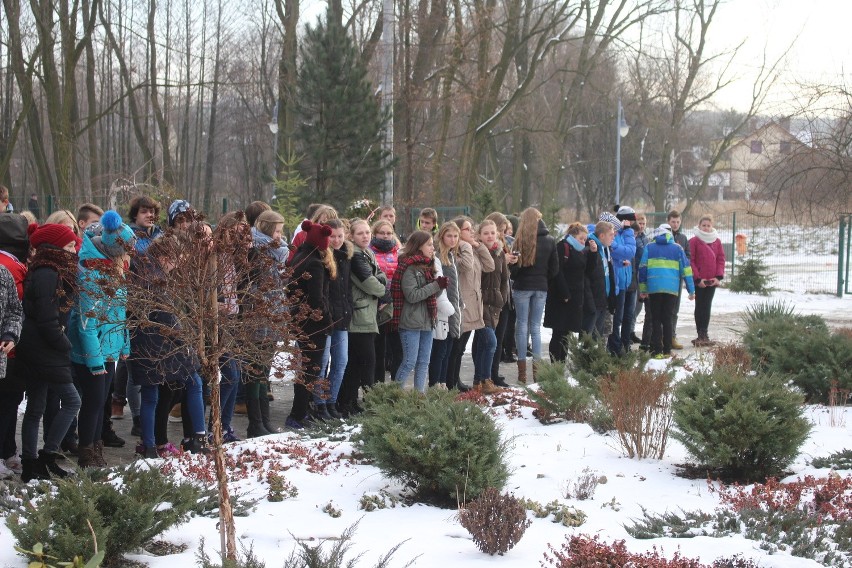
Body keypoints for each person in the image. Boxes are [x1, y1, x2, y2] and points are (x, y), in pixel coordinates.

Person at [129, 237, 207, 457]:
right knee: (193, 381)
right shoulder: (155, 279)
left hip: (148, 345)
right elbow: (166, 317)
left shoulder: (147, 274)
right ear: (165, 258)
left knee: (153, 395)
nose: (179, 264)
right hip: (157, 345)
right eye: (177, 259)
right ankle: (197, 437)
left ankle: (151, 445)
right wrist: (184, 341)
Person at [68, 211, 135, 467]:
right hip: (90, 353)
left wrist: (124, 344)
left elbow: (120, 313)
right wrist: (94, 362)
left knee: (101, 402)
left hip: (109, 349)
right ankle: (88, 453)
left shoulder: (115, 269)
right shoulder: (91, 272)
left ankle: (97, 448)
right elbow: (87, 324)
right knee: (93, 403)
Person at [18, 223, 82, 481]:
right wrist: (64, 344)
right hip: (45, 347)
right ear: (54, 246)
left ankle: (32, 464)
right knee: (72, 401)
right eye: (68, 245)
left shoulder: (49, 269)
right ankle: (45, 457)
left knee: (36, 406)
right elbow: (47, 318)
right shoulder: (47, 272)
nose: (73, 250)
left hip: (40, 346)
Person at [286, 221, 333, 429]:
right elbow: (317, 298)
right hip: (314, 324)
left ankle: (300, 412)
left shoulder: (298, 256)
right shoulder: (314, 263)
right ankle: (298, 413)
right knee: (311, 369)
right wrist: (327, 317)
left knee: (306, 368)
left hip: (299, 319)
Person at [339, 219, 386, 416]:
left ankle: (349, 401)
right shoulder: (356, 255)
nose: (365, 236)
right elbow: (371, 283)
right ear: (351, 236)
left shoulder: (368, 253)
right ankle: (361, 402)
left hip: (368, 313)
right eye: (360, 233)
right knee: (366, 361)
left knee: (358, 363)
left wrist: (381, 285)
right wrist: (384, 291)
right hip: (360, 315)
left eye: (367, 232)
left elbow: (381, 275)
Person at [392, 230, 445, 392]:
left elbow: (432, 295)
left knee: (424, 362)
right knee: (409, 362)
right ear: (418, 245)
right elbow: (412, 295)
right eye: (429, 244)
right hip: (410, 322)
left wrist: (440, 286)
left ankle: (419, 397)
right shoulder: (409, 267)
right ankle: (395, 396)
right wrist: (435, 285)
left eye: (433, 245)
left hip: (427, 320)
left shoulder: (428, 265)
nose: (432, 248)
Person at [508, 208, 557, 384]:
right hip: (541, 287)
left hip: (522, 287)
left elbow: (513, 270)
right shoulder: (550, 241)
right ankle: (537, 372)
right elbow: (555, 269)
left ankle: (522, 374)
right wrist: (544, 279)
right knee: (535, 328)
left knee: (521, 325)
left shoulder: (520, 241)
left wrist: (517, 273)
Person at [447, 216, 495, 391]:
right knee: (457, 347)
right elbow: (465, 267)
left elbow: (490, 266)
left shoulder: (471, 250)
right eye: (468, 229)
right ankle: (451, 382)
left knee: (461, 347)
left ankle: (455, 380)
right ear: (459, 232)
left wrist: (479, 246)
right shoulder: (456, 252)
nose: (472, 231)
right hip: (462, 305)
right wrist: (466, 245)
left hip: (475, 304)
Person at [313, 219, 351, 420]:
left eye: (340, 236)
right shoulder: (321, 257)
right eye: (333, 236)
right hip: (327, 318)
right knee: (322, 361)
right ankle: (319, 403)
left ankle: (331, 400)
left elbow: (346, 290)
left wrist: (348, 309)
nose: (336, 240)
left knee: (341, 361)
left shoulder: (346, 256)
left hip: (342, 317)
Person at [638, 225, 695, 358]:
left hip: (654, 288)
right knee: (668, 318)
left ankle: (657, 351)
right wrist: (691, 290)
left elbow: (642, 268)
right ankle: (667, 351)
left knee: (656, 319)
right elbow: (686, 269)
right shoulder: (677, 248)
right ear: (669, 235)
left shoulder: (649, 247)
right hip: (671, 289)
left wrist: (643, 289)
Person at [472, 219, 510, 394]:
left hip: (495, 303)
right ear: (479, 235)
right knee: (490, 342)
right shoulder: (476, 252)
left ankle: (478, 381)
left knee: (483, 344)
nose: (490, 236)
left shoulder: (500, 252)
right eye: (486, 233)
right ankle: (486, 379)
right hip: (479, 303)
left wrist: (501, 298)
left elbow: (503, 278)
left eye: (493, 233)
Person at [544, 222, 590, 362]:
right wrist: (565, 294)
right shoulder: (562, 247)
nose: (583, 241)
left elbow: (587, 270)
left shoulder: (581, 251)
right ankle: (555, 364)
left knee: (567, 334)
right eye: (581, 238)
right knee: (558, 332)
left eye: (585, 239)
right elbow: (558, 272)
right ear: (573, 236)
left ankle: (562, 362)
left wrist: (592, 253)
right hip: (561, 298)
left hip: (574, 298)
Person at [428, 222, 461, 390]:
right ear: (441, 236)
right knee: (439, 351)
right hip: (442, 310)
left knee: (448, 349)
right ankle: (435, 384)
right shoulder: (439, 257)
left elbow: (455, 286)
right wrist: (448, 306)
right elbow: (439, 286)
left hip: (452, 307)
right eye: (449, 236)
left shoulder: (451, 256)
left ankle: (443, 383)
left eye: (456, 236)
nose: (453, 239)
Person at [484, 212, 515, 386]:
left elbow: (505, 276)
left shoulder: (501, 245)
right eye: (501, 230)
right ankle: (487, 375)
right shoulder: (489, 248)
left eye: (502, 231)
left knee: (499, 338)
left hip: (504, 296)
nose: (503, 234)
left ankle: (494, 373)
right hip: (492, 299)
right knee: (491, 340)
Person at [370, 219, 401, 383]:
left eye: (389, 233)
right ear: (374, 234)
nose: (385, 236)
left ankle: (396, 387)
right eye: (382, 233)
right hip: (377, 303)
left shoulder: (397, 251)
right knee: (379, 349)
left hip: (395, 303)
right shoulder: (370, 252)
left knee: (396, 349)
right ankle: (377, 385)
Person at [688, 215, 725, 346]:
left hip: (712, 281)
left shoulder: (717, 241)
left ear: (712, 226)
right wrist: (697, 278)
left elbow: (720, 259)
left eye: (708, 225)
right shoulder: (694, 241)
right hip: (700, 281)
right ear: (699, 226)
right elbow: (690, 261)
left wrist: (718, 276)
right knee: (700, 306)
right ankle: (700, 334)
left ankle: (705, 333)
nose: (706, 227)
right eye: (703, 225)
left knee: (707, 306)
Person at [607, 206, 637, 356]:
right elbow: (620, 251)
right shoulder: (614, 234)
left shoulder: (627, 233)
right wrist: (620, 252)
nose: (631, 224)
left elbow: (630, 252)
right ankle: (615, 346)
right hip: (617, 282)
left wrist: (627, 232)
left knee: (627, 316)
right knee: (616, 318)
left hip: (626, 281)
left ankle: (625, 345)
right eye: (629, 221)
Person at [583, 221, 613, 338]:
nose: (613, 238)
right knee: (588, 335)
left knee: (598, 336)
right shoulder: (591, 247)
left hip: (602, 298)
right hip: (592, 299)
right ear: (602, 236)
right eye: (610, 235)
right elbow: (588, 274)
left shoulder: (604, 248)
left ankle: (596, 356)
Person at [667, 210, 690, 349]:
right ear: (668, 221)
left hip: (677, 278)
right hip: (665, 277)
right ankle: (661, 336)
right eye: (673, 222)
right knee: (664, 309)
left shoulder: (683, 238)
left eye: (677, 222)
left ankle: (672, 336)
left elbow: (688, 257)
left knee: (675, 309)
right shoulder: (662, 237)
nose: (675, 224)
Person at [631, 213, 651, 348]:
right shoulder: (634, 237)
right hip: (634, 273)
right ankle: (629, 331)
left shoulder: (645, 238)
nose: (642, 225)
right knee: (634, 305)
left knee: (639, 306)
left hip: (643, 274)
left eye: (643, 223)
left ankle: (631, 330)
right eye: (639, 223)